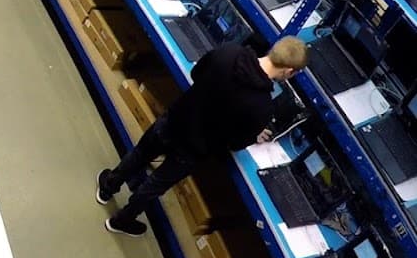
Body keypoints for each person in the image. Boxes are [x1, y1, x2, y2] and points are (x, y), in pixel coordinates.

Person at [96, 37, 308, 237]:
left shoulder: (229, 52)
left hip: (175, 120)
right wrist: (253, 131)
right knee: (155, 185)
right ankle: (121, 221)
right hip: (193, 149)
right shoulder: (262, 108)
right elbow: (235, 143)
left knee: (140, 154)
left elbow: (197, 74)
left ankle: (107, 188)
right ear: (289, 71)